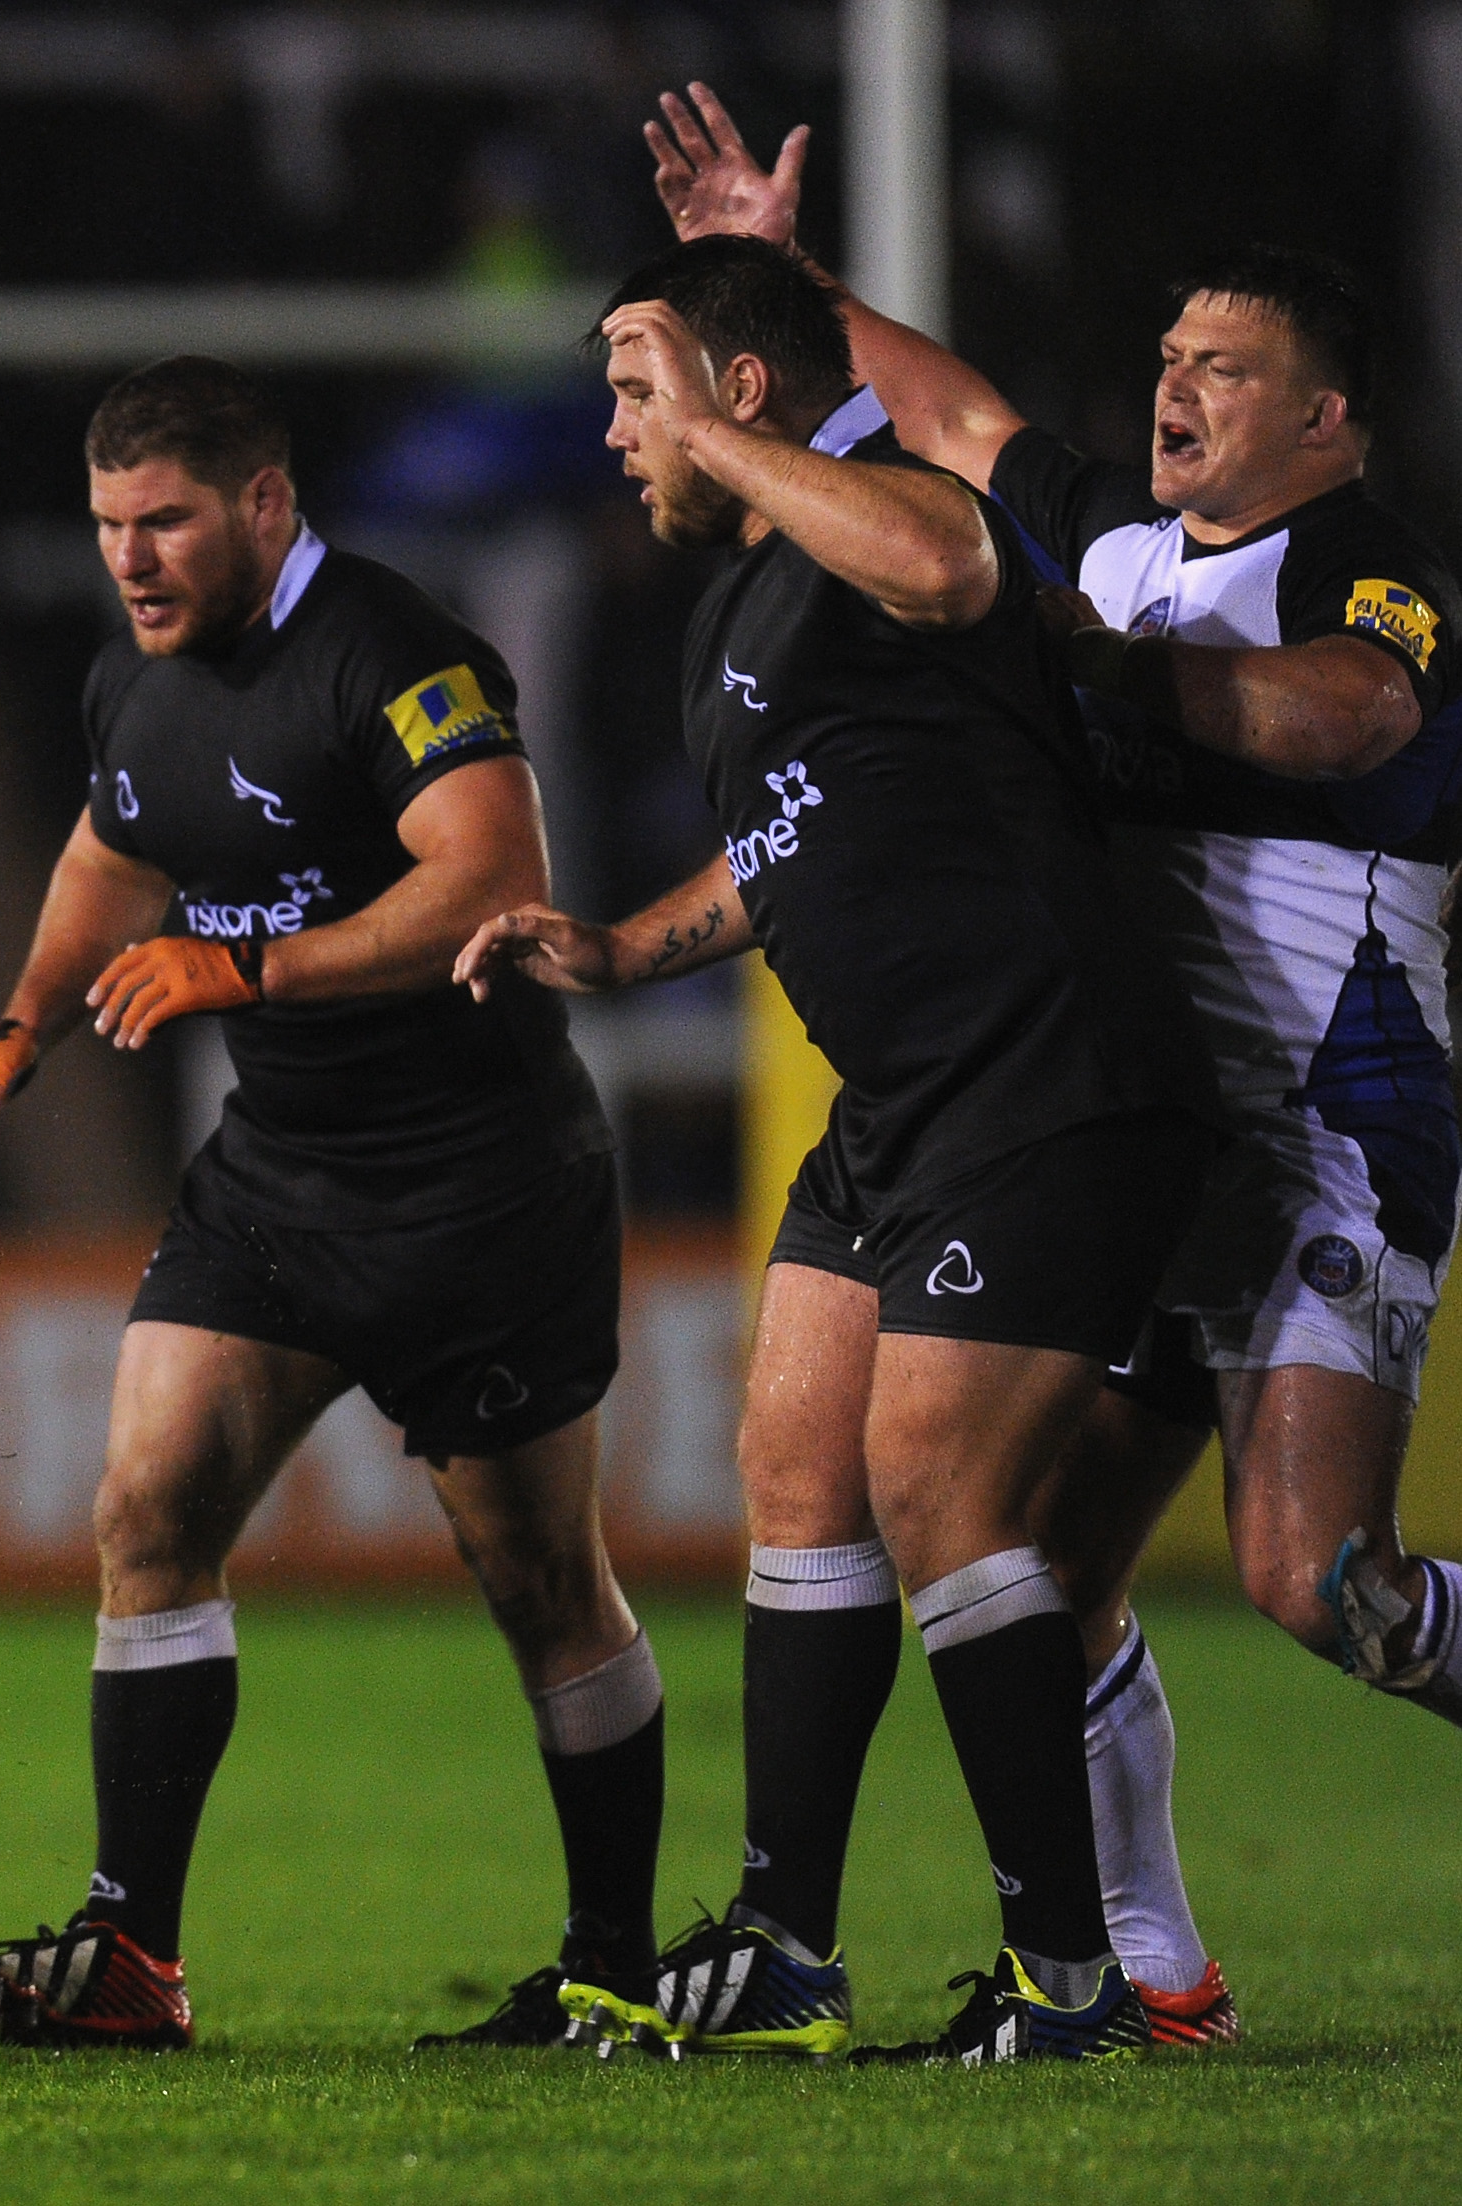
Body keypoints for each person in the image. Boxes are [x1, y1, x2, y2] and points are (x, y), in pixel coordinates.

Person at [648, 83, 1462, 2049]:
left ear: (1325, 418)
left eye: (1229, 369)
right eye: (1172, 357)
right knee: (1045, 1555)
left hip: (1331, 1125)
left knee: (1310, 1576)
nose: (1177, 389)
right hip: (1146, 1110)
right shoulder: (1109, 537)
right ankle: (1153, 1966)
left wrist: (1081, 659)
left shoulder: (1371, 568)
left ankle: (1120, 1955)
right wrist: (783, 273)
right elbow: (955, 415)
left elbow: (1346, 719)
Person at [457, 235, 1220, 2063]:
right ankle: (789, 1937)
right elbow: (794, 837)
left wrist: (728, 444)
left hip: (1040, 1078)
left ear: (738, 393)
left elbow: (957, 556)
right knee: (792, 1462)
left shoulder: (879, 519)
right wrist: (626, 944)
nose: (617, 433)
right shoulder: (734, 610)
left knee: (941, 1491)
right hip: (896, 1108)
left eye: (639, 387)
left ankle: (1072, 1978)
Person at [0, 355, 658, 2054]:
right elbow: (110, 849)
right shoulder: (137, 680)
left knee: (542, 1579)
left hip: (479, 1187)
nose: (133, 558)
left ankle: (610, 1963)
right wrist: (28, 1012)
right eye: (108, 526)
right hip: (277, 1185)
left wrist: (241, 962)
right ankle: (132, 1957)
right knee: (145, 1505)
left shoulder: (394, 653)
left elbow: (493, 878)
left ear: (263, 501)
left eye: (164, 519)